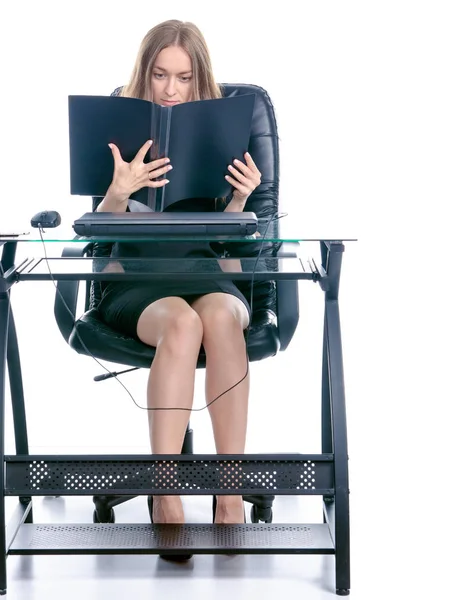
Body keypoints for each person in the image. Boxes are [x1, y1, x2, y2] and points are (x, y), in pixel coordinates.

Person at [96, 20, 262, 528]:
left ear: (199, 80)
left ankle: (228, 493)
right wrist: (119, 193)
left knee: (220, 316)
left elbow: (234, 264)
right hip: (139, 282)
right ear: (144, 75)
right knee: (183, 323)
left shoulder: (223, 132)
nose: (170, 90)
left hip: (208, 274)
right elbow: (101, 252)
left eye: (184, 78)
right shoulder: (118, 130)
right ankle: (165, 492)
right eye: (160, 75)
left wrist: (239, 200)